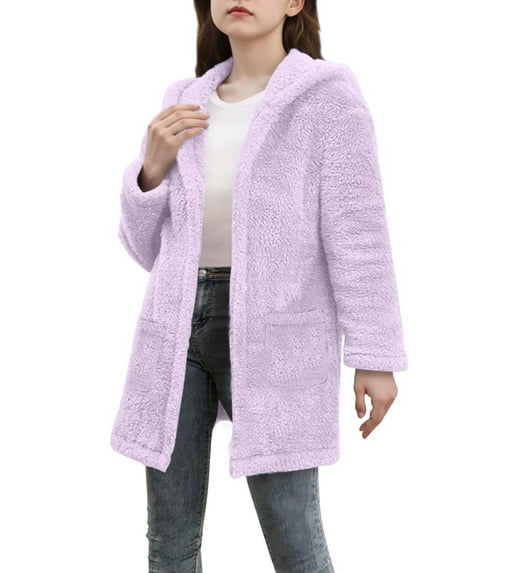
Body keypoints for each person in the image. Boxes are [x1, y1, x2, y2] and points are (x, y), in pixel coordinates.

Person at [110, 1, 409, 571]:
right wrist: (150, 170)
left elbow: (359, 231)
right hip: (175, 328)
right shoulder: (184, 102)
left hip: (277, 334)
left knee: (294, 538)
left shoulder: (326, 98)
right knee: (169, 542)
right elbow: (148, 250)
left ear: (295, 2)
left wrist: (374, 355)